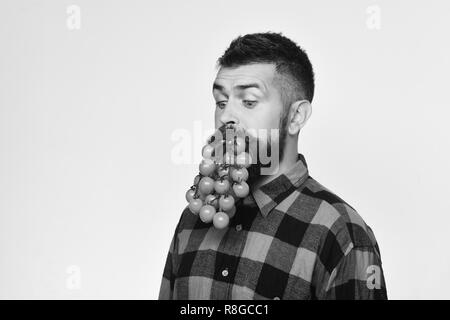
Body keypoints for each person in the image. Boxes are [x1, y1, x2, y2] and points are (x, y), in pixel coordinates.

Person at [159, 32, 387, 300]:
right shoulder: (193, 219)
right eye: (221, 102)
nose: (226, 117)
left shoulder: (340, 232)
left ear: (295, 116)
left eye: (249, 102)